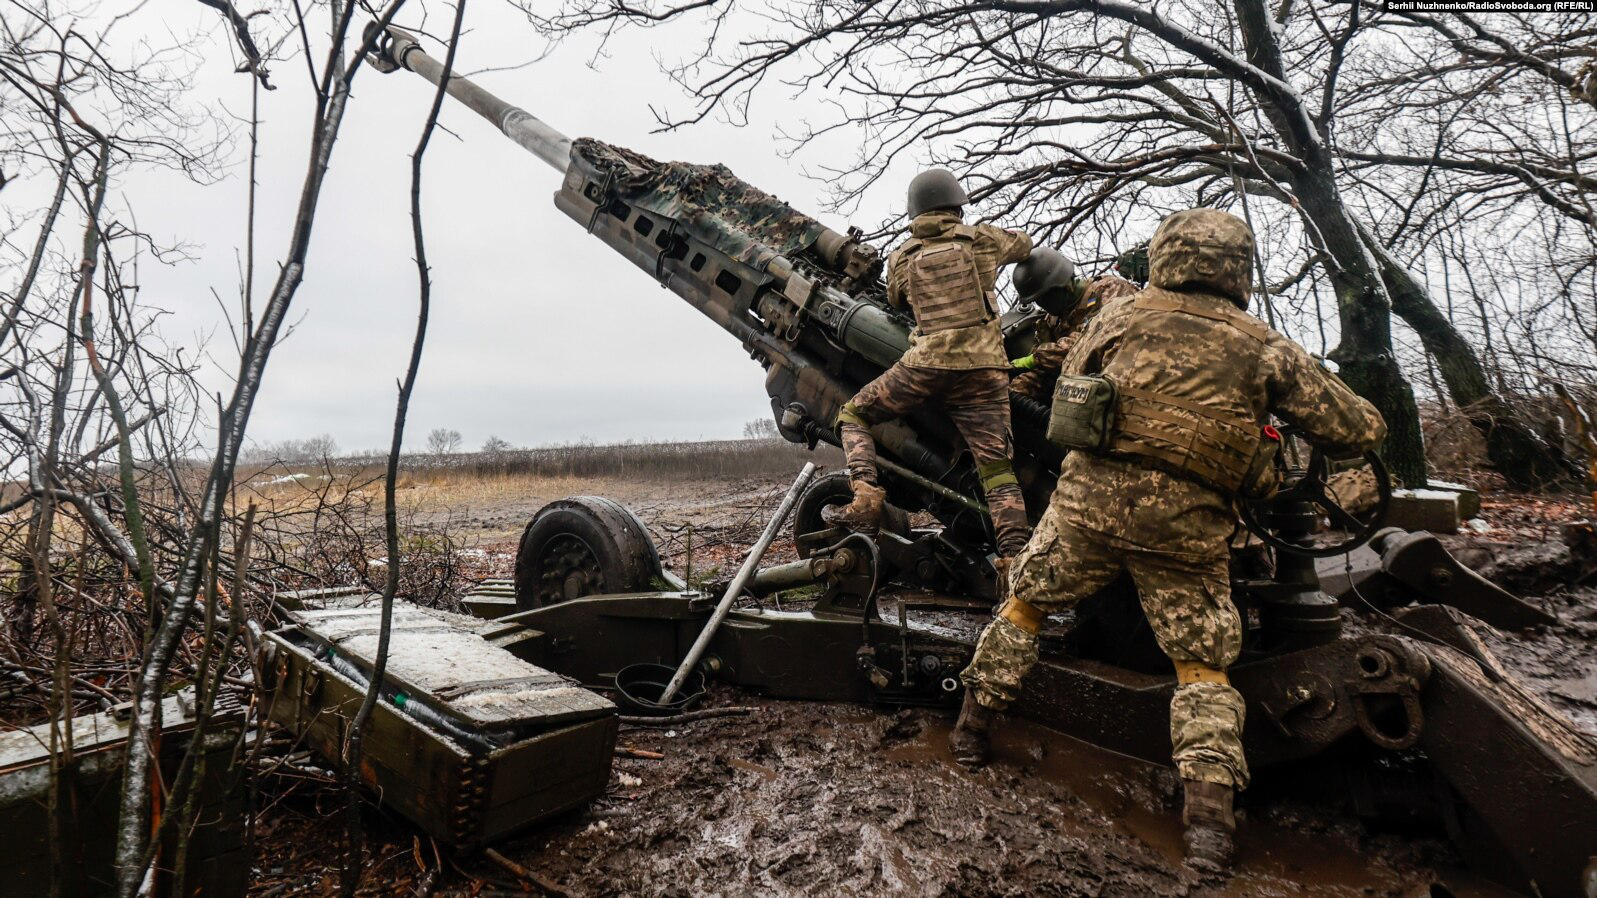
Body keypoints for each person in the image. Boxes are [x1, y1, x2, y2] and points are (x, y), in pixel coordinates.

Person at [951, 208, 1386, 871]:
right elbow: (1358, 431)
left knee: (1023, 610)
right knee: (1201, 667)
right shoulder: (1264, 346)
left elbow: (1075, 386)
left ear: (1166, 257)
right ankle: (1208, 828)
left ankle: (969, 733)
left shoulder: (1116, 318)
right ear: (1236, 269)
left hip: (1085, 514)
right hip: (1182, 534)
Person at [828, 169, 1035, 562]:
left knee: (854, 415)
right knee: (998, 473)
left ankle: (866, 496)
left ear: (915, 211)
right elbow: (1024, 245)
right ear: (956, 205)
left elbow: (895, 300)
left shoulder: (902, 257)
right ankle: (1014, 565)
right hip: (983, 369)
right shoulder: (982, 239)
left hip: (925, 367)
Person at [1008, 248, 1139, 403]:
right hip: (1074, 393)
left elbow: (1085, 342)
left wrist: (1035, 359)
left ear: (1063, 285)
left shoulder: (1110, 290)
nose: (1041, 305)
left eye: (1043, 298)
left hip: (1117, 388)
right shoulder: (1053, 320)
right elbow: (1043, 372)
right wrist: (1011, 391)